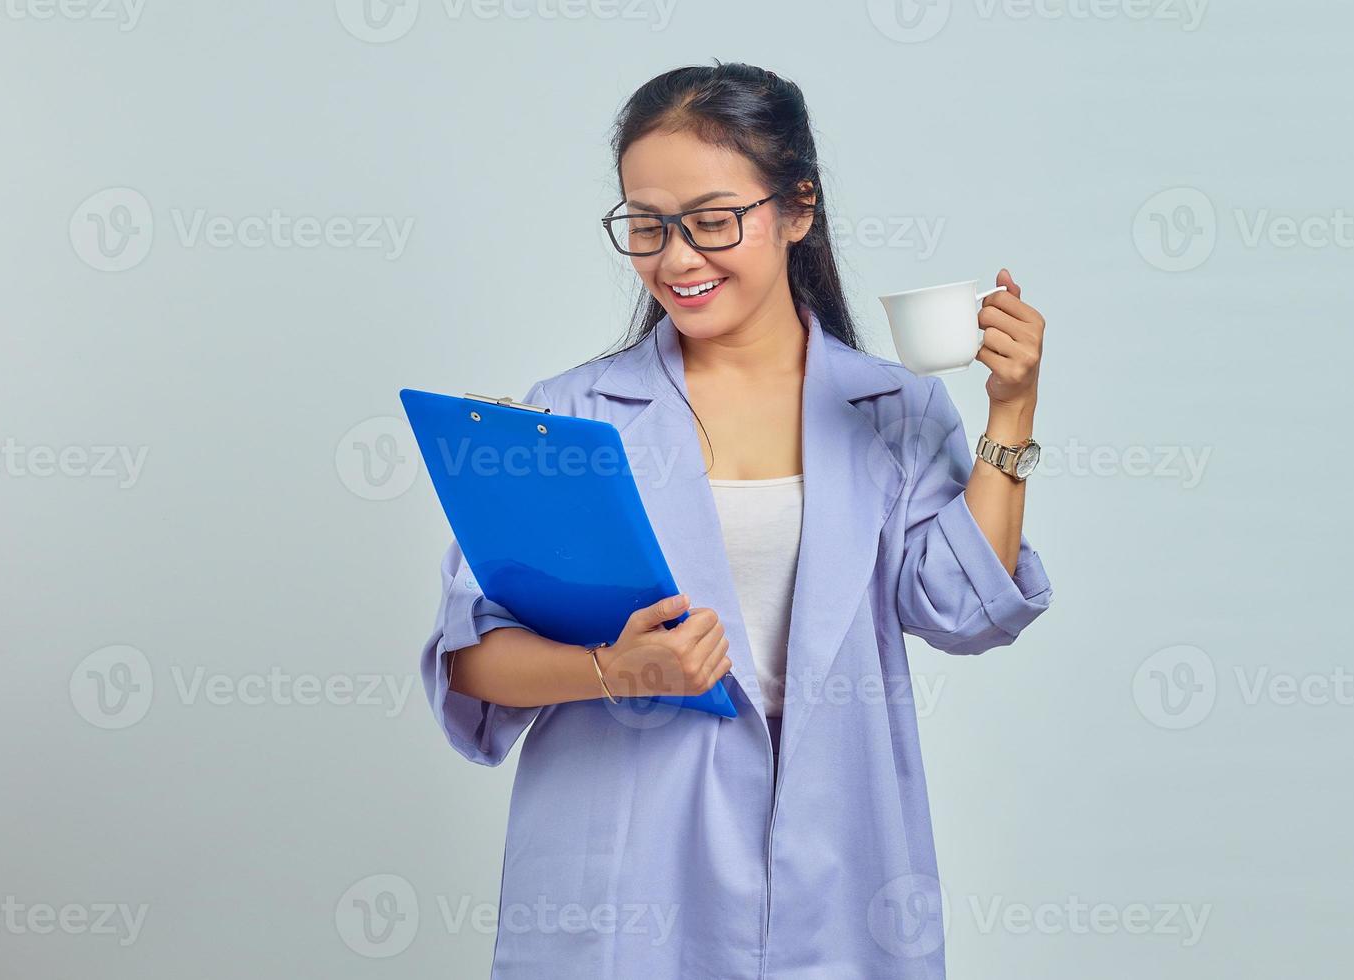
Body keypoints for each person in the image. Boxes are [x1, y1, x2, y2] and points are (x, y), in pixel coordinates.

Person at [419, 61, 1054, 979]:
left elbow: (965, 608)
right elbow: (471, 659)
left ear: (797, 210)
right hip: (627, 865)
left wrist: (1013, 411)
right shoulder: (571, 419)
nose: (677, 259)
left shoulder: (895, 410)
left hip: (835, 863)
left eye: (713, 221)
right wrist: (612, 668)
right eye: (646, 225)